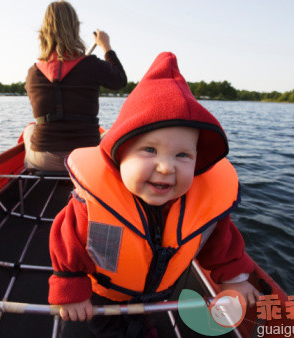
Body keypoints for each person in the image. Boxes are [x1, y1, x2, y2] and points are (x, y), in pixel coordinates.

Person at [48, 52, 261, 337]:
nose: (165, 167)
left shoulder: (203, 207)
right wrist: (71, 288)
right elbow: (67, 243)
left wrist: (235, 279)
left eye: (183, 155)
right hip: (105, 299)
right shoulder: (91, 206)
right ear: (120, 153)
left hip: (155, 297)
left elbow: (222, 245)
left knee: (143, 326)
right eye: (150, 150)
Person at [24, 0, 127, 172]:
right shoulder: (91, 65)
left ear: (43, 32)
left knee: (30, 129)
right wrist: (106, 46)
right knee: (113, 132)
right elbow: (120, 80)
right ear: (75, 28)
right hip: (84, 158)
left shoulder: (32, 73)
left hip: (45, 159)